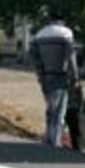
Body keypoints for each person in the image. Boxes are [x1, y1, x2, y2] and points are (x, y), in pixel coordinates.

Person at [28, 13, 80, 147]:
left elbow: (33, 57)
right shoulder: (66, 33)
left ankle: (49, 137)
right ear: (61, 21)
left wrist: (40, 75)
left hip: (46, 76)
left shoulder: (40, 34)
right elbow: (71, 57)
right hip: (60, 76)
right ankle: (54, 141)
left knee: (50, 108)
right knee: (59, 111)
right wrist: (75, 78)